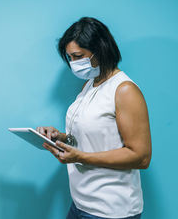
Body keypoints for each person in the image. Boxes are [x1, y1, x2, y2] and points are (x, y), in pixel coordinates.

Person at [37, 17, 152, 219]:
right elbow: (92, 136)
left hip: (110, 210)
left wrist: (81, 157)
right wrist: (60, 137)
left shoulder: (124, 90)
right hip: (81, 203)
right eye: (69, 58)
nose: (73, 64)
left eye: (78, 56)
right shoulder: (90, 84)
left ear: (100, 50)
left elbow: (141, 157)